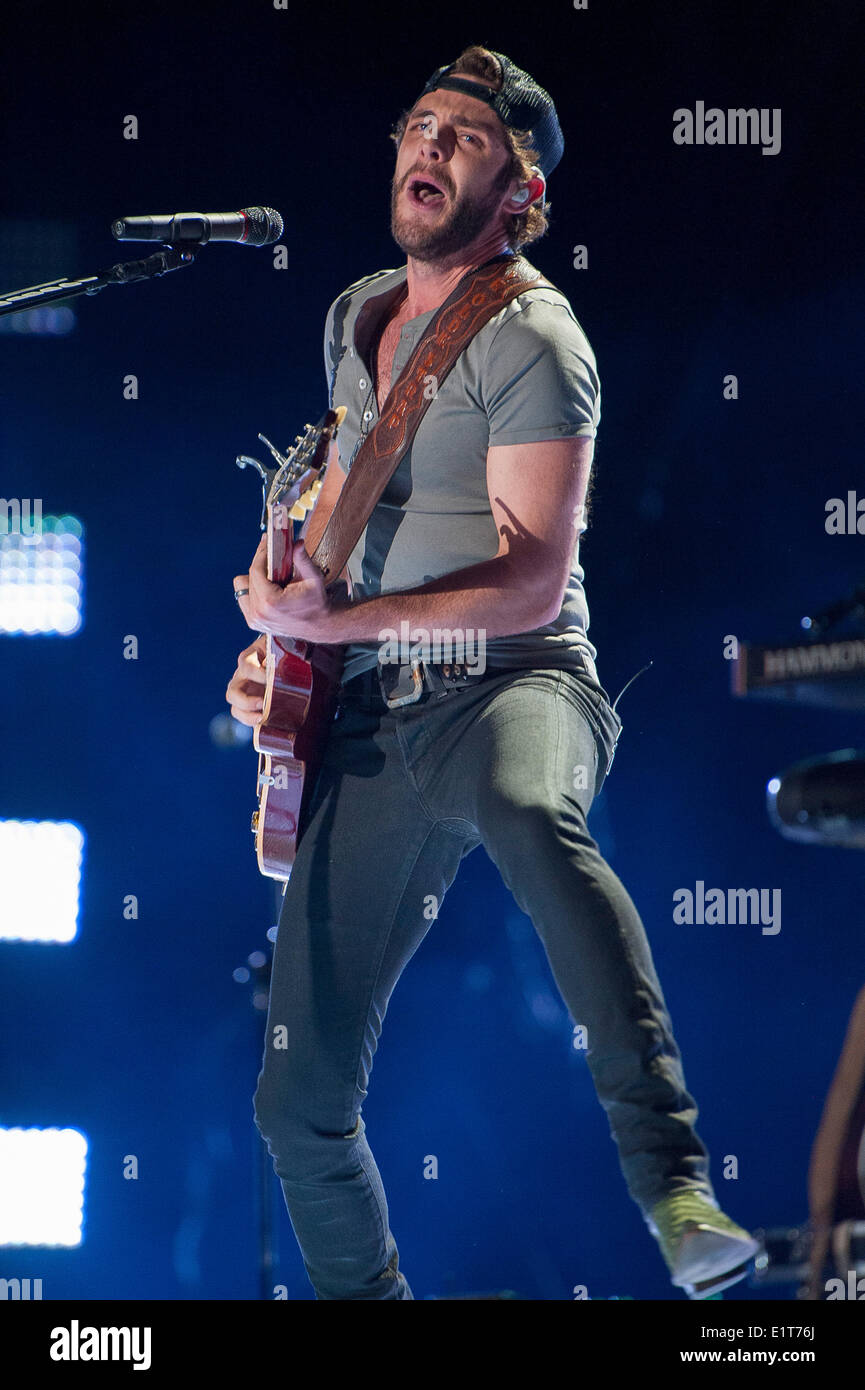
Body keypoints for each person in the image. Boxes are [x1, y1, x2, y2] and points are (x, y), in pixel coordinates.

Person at [227, 44, 759, 1300]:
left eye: (463, 139)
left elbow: (526, 580)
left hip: (516, 681)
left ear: (518, 190)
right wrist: (282, 646)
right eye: (418, 125)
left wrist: (343, 630)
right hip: (373, 714)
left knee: (531, 813)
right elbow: (344, 544)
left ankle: (675, 1188)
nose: (427, 147)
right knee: (295, 1099)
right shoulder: (353, 316)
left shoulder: (537, 334)